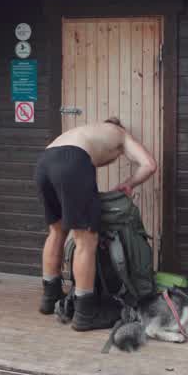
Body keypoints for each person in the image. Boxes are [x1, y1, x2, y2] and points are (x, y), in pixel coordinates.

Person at [33, 117, 157, 331]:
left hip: (44, 161)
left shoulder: (84, 132)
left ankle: (49, 298)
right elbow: (149, 165)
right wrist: (128, 184)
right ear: (119, 126)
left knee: (56, 231)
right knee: (86, 240)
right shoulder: (120, 134)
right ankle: (85, 313)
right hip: (72, 161)